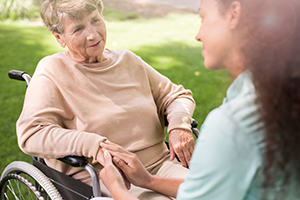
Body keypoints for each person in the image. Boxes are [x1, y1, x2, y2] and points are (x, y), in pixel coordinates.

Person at [99, 0, 300, 199]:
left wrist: (117, 189)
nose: (198, 35)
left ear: (234, 14)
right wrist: (147, 181)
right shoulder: (270, 93)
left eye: (202, 17)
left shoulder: (233, 125)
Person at [16, 0, 196, 199]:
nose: (93, 34)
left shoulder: (128, 61)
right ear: (59, 37)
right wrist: (93, 144)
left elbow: (176, 96)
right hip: (108, 177)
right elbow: (31, 133)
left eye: (95, 20)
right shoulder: (52, 70)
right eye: (78, 29)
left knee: (215, 192)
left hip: (163, 165)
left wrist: (179, 125)